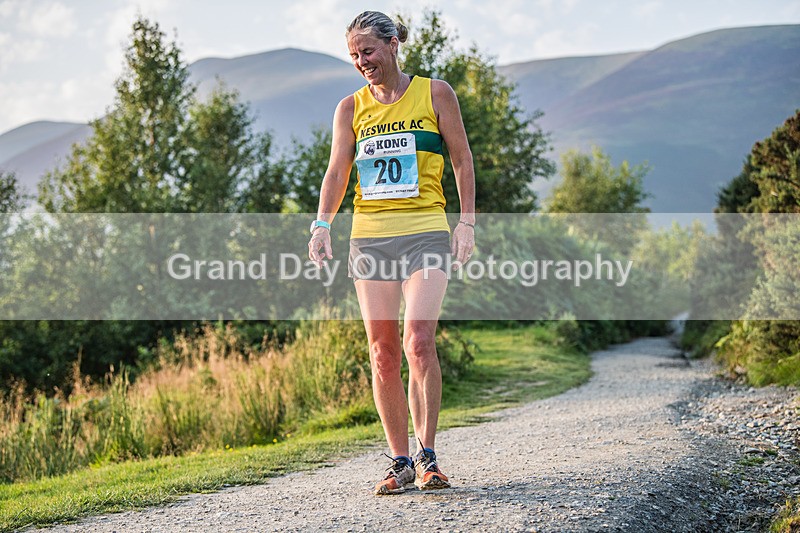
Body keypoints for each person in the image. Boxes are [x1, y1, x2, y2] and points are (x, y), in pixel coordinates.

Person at [307, 10, 475, 495]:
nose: (362, 61)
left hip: (425, 230)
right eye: (354, 55)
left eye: (368, 51)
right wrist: (321, 225)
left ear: (394, 44)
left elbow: (461, 158)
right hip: (371, 236)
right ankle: (399, 460)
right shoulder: (350, 108)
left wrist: (466, 223)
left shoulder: (435, 93)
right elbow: (337, 171)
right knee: (382, 352)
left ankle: (427, 455)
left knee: (418, 340)